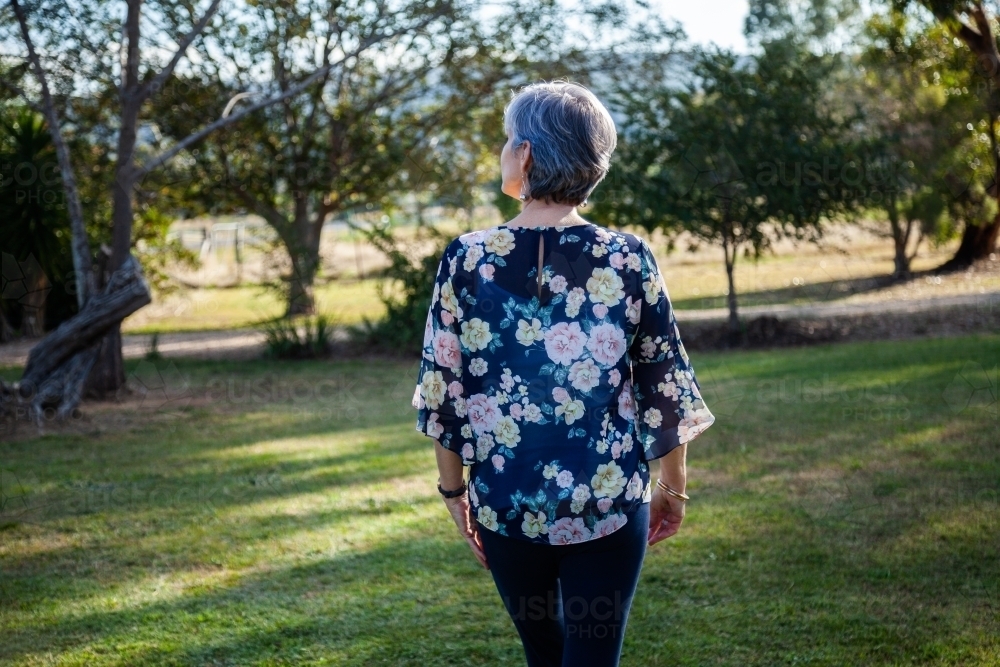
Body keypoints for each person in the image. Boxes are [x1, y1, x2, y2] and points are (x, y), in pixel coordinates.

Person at [412, 81, 716, 667]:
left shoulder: (467, 258)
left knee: (544, 656)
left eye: (507, 141)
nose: (503, 152)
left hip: (505, 505)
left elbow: (442, 388)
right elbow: (663, 379)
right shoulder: (626, 256)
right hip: (609, 502)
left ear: (524, 155)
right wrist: (672, 488)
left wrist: (454, 493)